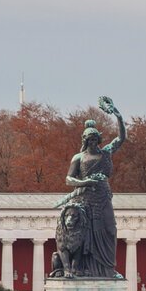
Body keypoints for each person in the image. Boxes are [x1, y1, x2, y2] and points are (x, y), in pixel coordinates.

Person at [57, 97, 127, 279]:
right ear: (85, 140)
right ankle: (86, 269)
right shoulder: (78, 158)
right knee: (88, 236)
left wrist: (118, 115)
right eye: (90, 139)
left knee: (110, 230)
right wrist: (84, 183)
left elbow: (121, 138)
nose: (93, 142)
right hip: (85, 200)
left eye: (96, 138)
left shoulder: (106, 152)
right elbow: (69, 179)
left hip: (103, 196)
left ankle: (108, 269)